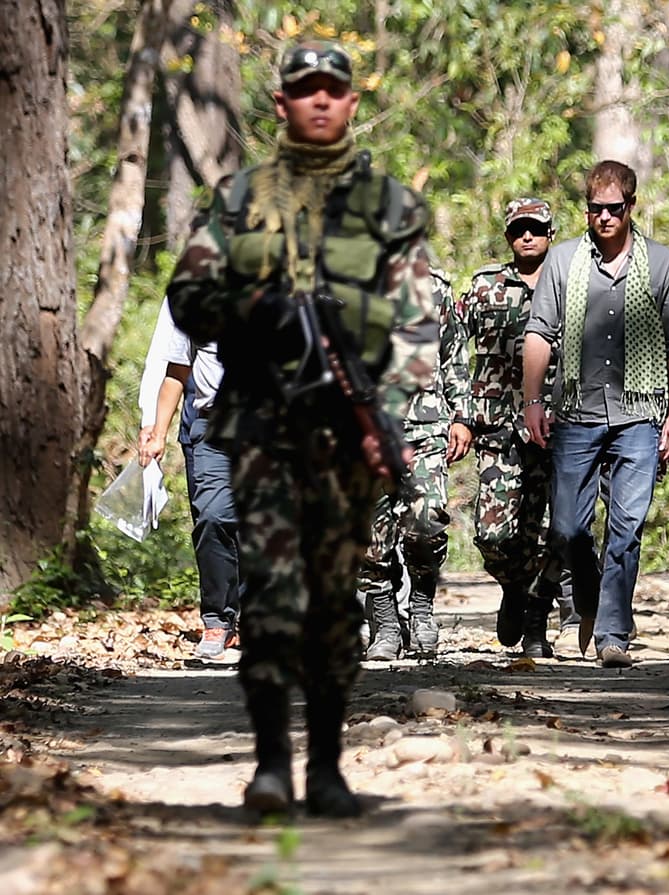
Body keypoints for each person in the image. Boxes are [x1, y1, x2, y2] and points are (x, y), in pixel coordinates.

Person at [167, 41, 441, 819]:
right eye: (304, 89)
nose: (320, 101)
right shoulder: (239, 200)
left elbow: (421, 327)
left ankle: (325, 764)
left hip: (346, 440)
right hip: (259, 433)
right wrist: (251, 312)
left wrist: (387, 415)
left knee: (332, 600)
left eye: (333, 89)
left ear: (352, 103)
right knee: (271, 598)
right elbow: (187, 296)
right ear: (281, 103)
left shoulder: (389, 207)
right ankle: (268, 765)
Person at [523, 160, 669, 669]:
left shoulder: (661, 263)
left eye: (614, 209)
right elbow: (539, 334)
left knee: (626, 527)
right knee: (569, 528)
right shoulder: (564, 262)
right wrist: (533, 401)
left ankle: (613, 635)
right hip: (575, 413)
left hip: (639, 414)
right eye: (595, 209)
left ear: (631, 206)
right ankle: (593, 601)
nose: (604, 218)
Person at [455, 198, 571, 658]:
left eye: (536, 229)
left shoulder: (571, 285)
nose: (528, 236)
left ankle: (538, 615)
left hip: (557, 425)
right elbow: (450, 345)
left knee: (555, 527)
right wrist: (461, 414)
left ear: (550, 233)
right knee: (492, 532)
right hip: (497, 425)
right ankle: (515, 587)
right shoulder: (485, 286)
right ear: (508, 236)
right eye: (519, 229)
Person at [361, 269, 471, 662]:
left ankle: (422, 607)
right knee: (371, 538)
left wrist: (462, 416)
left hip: (424, 425)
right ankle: (386, 624)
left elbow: (455, 355)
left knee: (425, 523)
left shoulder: (434, 287)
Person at [138, 316, 243, 662]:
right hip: (211, 427)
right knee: (213, 517)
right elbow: (176, 372)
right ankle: (217, 621)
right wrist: (157, 432)